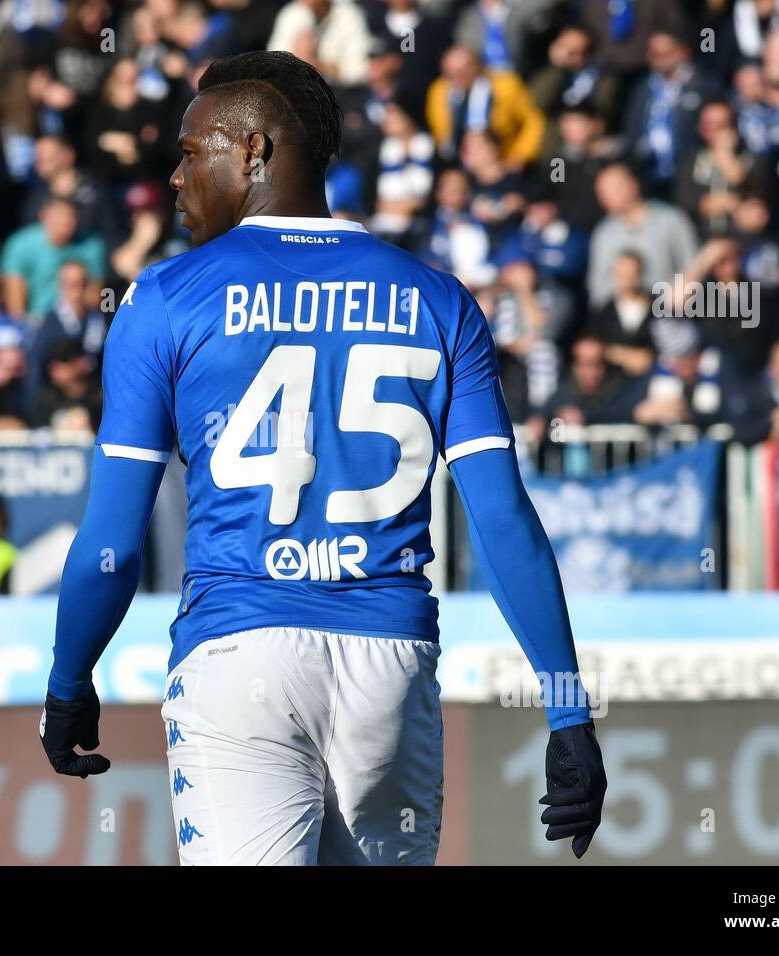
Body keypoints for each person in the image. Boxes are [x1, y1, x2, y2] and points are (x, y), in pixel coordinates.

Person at [39, 51, 605, 866]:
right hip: (394, 667)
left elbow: (110, 547)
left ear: (256, 150)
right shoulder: (437, 298)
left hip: (243, 657)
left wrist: (68, 682)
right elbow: (504, 519)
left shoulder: (164, 298)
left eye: (193, 150)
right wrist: (565, 708)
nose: (174, 177)